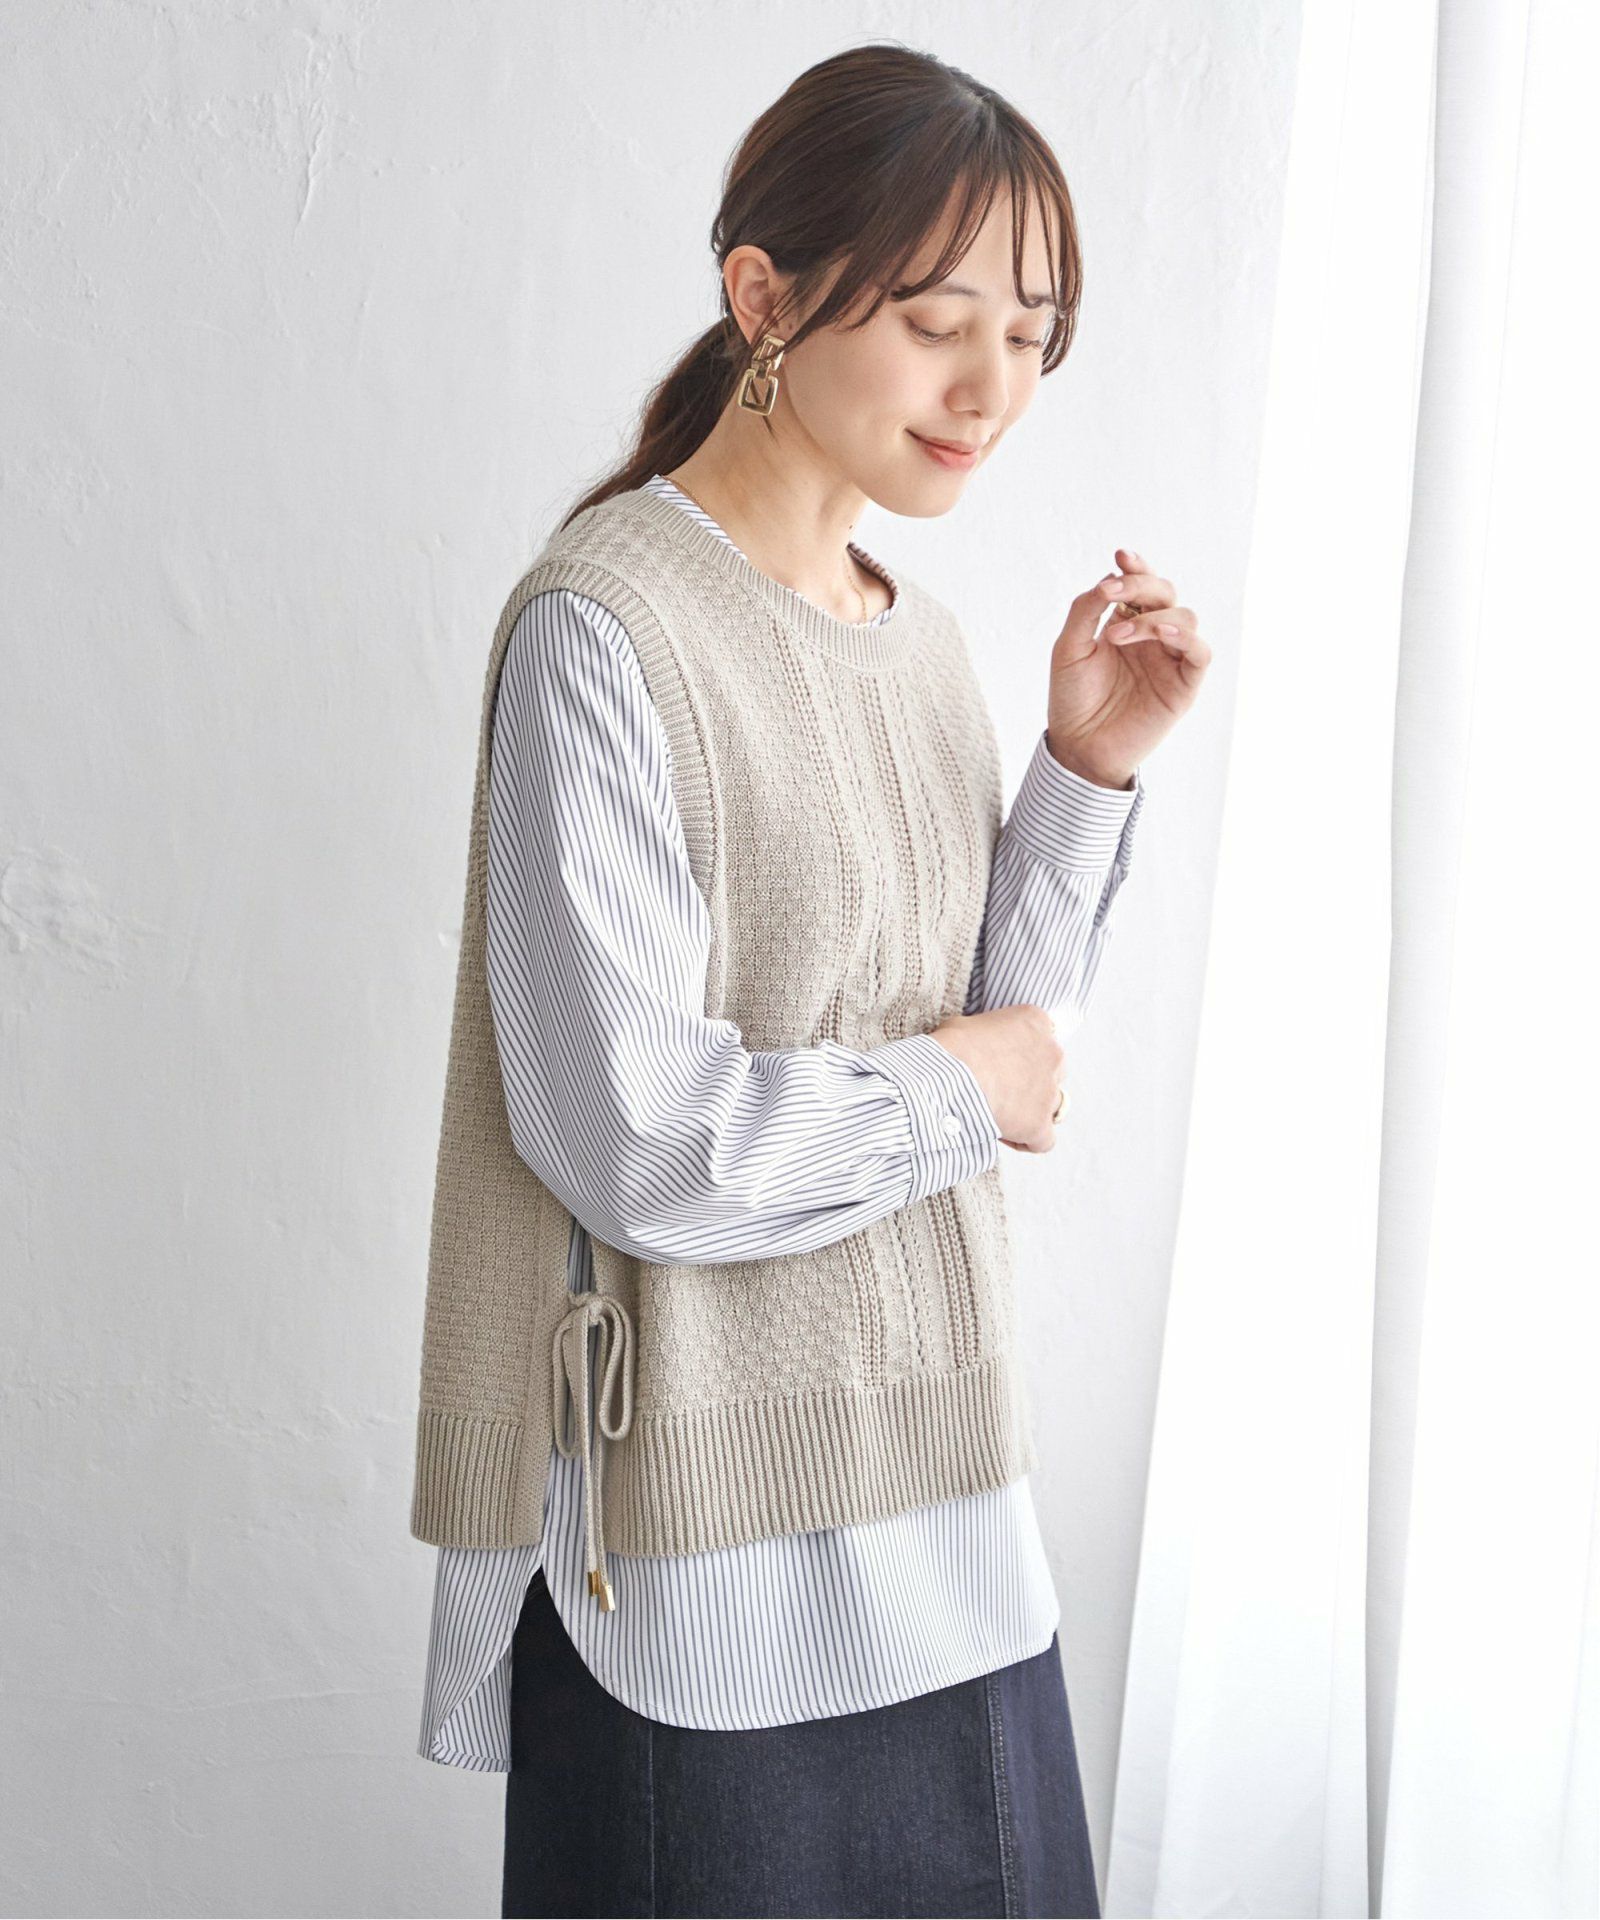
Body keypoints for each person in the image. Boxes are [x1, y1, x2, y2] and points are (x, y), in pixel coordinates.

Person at [409, 41, 1209, 1920]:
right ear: (762, 294)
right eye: (937, 321)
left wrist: (1083, 771)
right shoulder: (606, 629)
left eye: (1032, 335)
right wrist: (966, 1086)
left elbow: (1008, 1054)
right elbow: (641, 1143)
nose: (991, 387)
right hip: (700, 1565)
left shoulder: (921, 642)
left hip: (950, 1513)